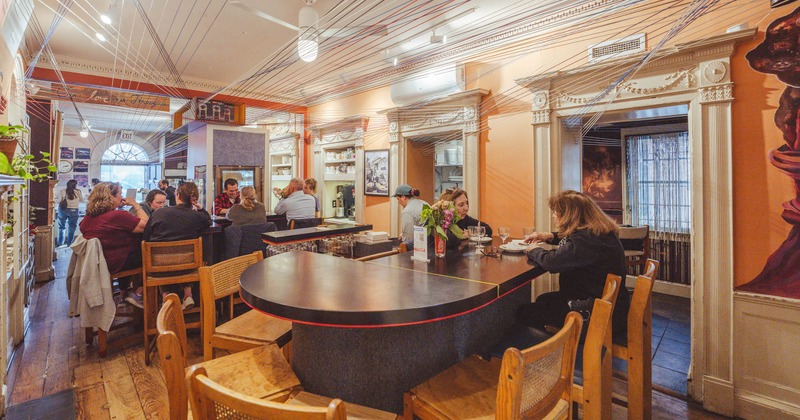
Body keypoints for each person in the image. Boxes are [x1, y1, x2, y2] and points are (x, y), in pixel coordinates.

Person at [516, 190, 630, 337]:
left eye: (556, 212)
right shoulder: (597, 232)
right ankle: (560, 343)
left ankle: (552, 352)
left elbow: (553, 262)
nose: (553, 216)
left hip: (594, 312)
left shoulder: (585, 240)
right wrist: (550, 236)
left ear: (570, 216)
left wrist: (533, 250)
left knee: (525, 312)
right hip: (609, 305)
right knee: (543, 300)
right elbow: (573, 244)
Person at [79, 182, 149, 308]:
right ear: (110, 197)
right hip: (116, 262)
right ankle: (138, 294)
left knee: (131, 252)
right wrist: (135, 205)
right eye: (120, 194)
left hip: (101, 262)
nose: (122, 197)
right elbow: (146, 225)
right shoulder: (116, 216)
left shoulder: (87, 218)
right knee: (153, 258)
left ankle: (124, 294)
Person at [143, 182, 211, 310]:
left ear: (178, 195)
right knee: (182, 259)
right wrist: (199, 207)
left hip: (159, 269)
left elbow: (145, 238)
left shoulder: (159, 213)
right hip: (188, 268)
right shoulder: (196, 216)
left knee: (164, 259)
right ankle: (188, 295)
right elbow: (207, 220)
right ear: (194, 198)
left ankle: (166, 297)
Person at [55, 179, 83, 247]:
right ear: (75, 185)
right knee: (72, 227)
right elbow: (82, 200)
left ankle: (60, 243)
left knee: (61, 227)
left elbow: (58, 201)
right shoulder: (78, 191)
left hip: (63, 210)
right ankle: (70, 243)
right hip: (74, 210)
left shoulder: (63, 191)